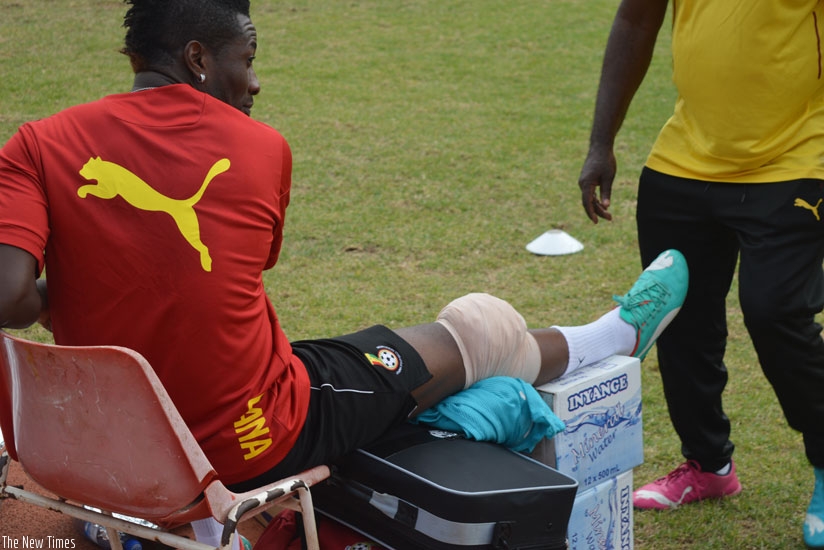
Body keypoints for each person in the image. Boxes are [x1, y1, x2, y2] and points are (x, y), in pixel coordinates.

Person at [0, 0, 688, 545]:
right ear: (198, 58)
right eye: (248, 58)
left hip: (89, 450)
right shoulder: (259, 148)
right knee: (482, 328)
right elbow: (229, 267)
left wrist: (80, 284)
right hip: (251, 439)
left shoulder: (34, 143)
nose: (256, 81)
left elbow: (10, 297)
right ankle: (614, 338)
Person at [576, 0, 824, 546]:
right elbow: (636, 19)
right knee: (678, 316)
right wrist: (601, 142)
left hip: (796, 158)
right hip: (685, 159)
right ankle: (708, 465)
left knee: (776, 312)